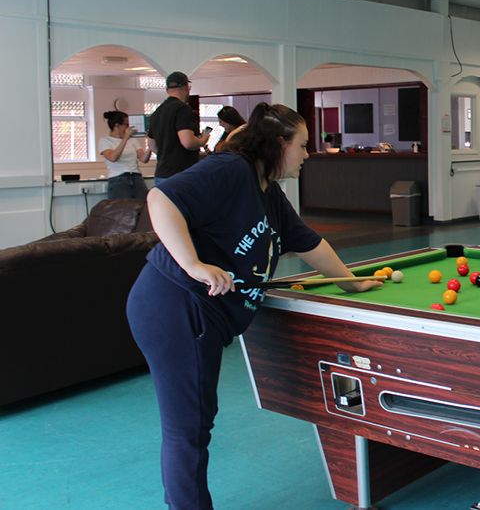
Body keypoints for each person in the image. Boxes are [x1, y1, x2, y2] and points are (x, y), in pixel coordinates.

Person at [126, 103, 383, 510]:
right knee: (188, 427)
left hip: (197, 311)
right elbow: (161, 199)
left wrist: (352, 284)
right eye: (301, 145)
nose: (306, 154)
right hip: (175, 305)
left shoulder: (270, 192)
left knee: (195, 422)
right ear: (279, 144)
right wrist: (193, 264)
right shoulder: (230, 170)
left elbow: (308, 241)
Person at [147, 72, 211, 185]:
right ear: (187, 87)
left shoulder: (156, 113)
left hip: (161, 174)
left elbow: (152, 146)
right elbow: (188, 142)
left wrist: (168, 152)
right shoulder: (182, 109)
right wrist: (202, 140)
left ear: (167, 90)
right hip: (181, 175)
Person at [99, 110, 152, 199]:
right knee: (122, 209)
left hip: (136, 177)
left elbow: (143, 159)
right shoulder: (105, 141)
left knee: (142, 207)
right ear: (117, 126)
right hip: (118, 179)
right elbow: (113, 158)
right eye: (126, 124)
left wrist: (150, 145)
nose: (129, 127)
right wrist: (125, 138)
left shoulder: (132, 140)